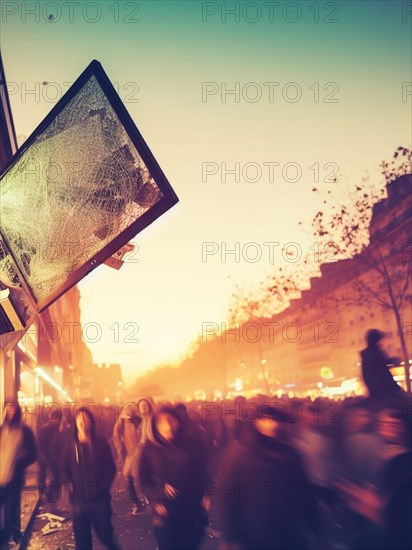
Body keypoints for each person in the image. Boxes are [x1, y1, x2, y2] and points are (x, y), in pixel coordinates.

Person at [219, 404, 321, 550]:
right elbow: (229, 498)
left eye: (274, 419)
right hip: (254, 537)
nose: (271, 424)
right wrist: (229, 537)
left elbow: (303, 491)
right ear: (253, 422)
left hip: (290, 533)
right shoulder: (237, 455)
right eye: (264, 419)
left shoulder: (290, 453)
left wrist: (316, 527)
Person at [139, 405, 210, 550]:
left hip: (192, 508)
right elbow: (143, 480)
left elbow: (202, 470)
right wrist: (156, 497)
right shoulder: (148, 448)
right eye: (161, 422)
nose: (167, 426)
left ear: (178, 421)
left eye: (170, 420)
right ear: (154, 426)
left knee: (193, 543)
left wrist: (207, 493)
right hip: (166, 510)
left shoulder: (191, 443)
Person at [62, 407, 121, 550]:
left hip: (99, 501)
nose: (82, 421)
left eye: (85, 418)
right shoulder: (71, 444)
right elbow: (64, 468)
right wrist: (70, 484)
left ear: (91, 422)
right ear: (75, 422)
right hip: (78, 501)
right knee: (82, 542)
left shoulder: (101, 442)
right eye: (79, 418)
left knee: (105, 535)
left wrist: (101, 488)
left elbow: (110, 469)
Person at [0, 402, 37, 548]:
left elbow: (33, 454)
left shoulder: (25, 431)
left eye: (12, 410)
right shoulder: (1, 430)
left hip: (13, 479)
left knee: (10, 513)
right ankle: (11, 534)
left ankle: (6, 539)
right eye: (7, 409)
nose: (9, 412)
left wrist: (20, 461)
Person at [113, 397, 154, 513]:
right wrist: (120, 451)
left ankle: (150, 501)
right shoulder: (124, 421)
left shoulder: (148, 420)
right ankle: (138, 503)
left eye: (146, 405)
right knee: (129, 481)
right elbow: (116, 435)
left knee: (143, 480)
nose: (129, 410)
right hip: (130, 456)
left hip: (145, 456)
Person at [360, 329, 403, 403]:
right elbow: (382, 370)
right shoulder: (376, 353)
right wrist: (394, 360)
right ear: (376, 340)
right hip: (385, 389)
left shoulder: (367, 354)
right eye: (379, 340)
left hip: (375, 390)